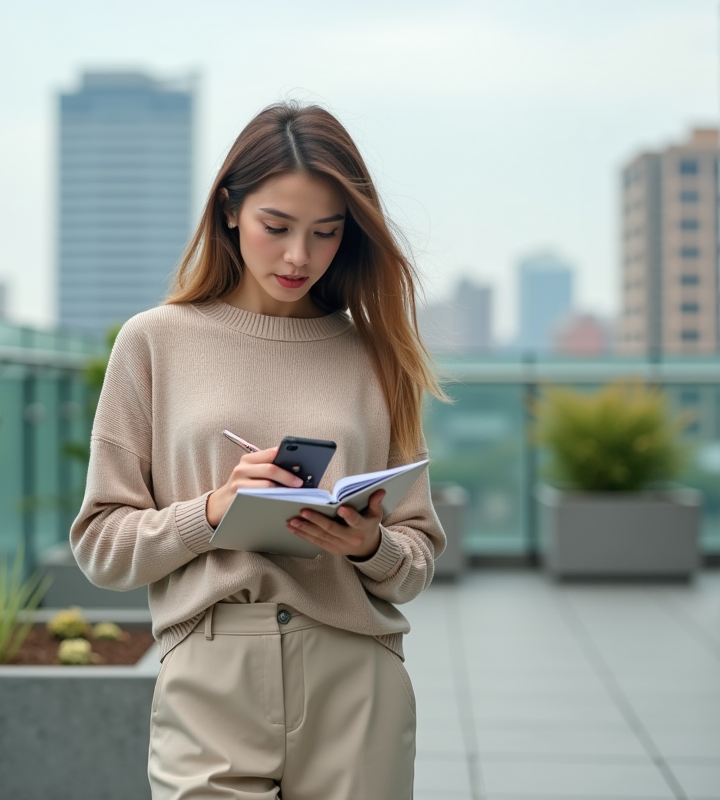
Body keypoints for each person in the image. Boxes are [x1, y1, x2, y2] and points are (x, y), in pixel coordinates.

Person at [71, 101, 447, 799]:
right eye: (278, 227)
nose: (299, 255)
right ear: (229, 212)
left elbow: (417, 558)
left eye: (326, 233)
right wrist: (213, 510)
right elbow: (100, 546)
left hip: (355, 677)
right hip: (211, 674)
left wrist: (368, 545)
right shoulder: (154, 342)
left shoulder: (377, 356)